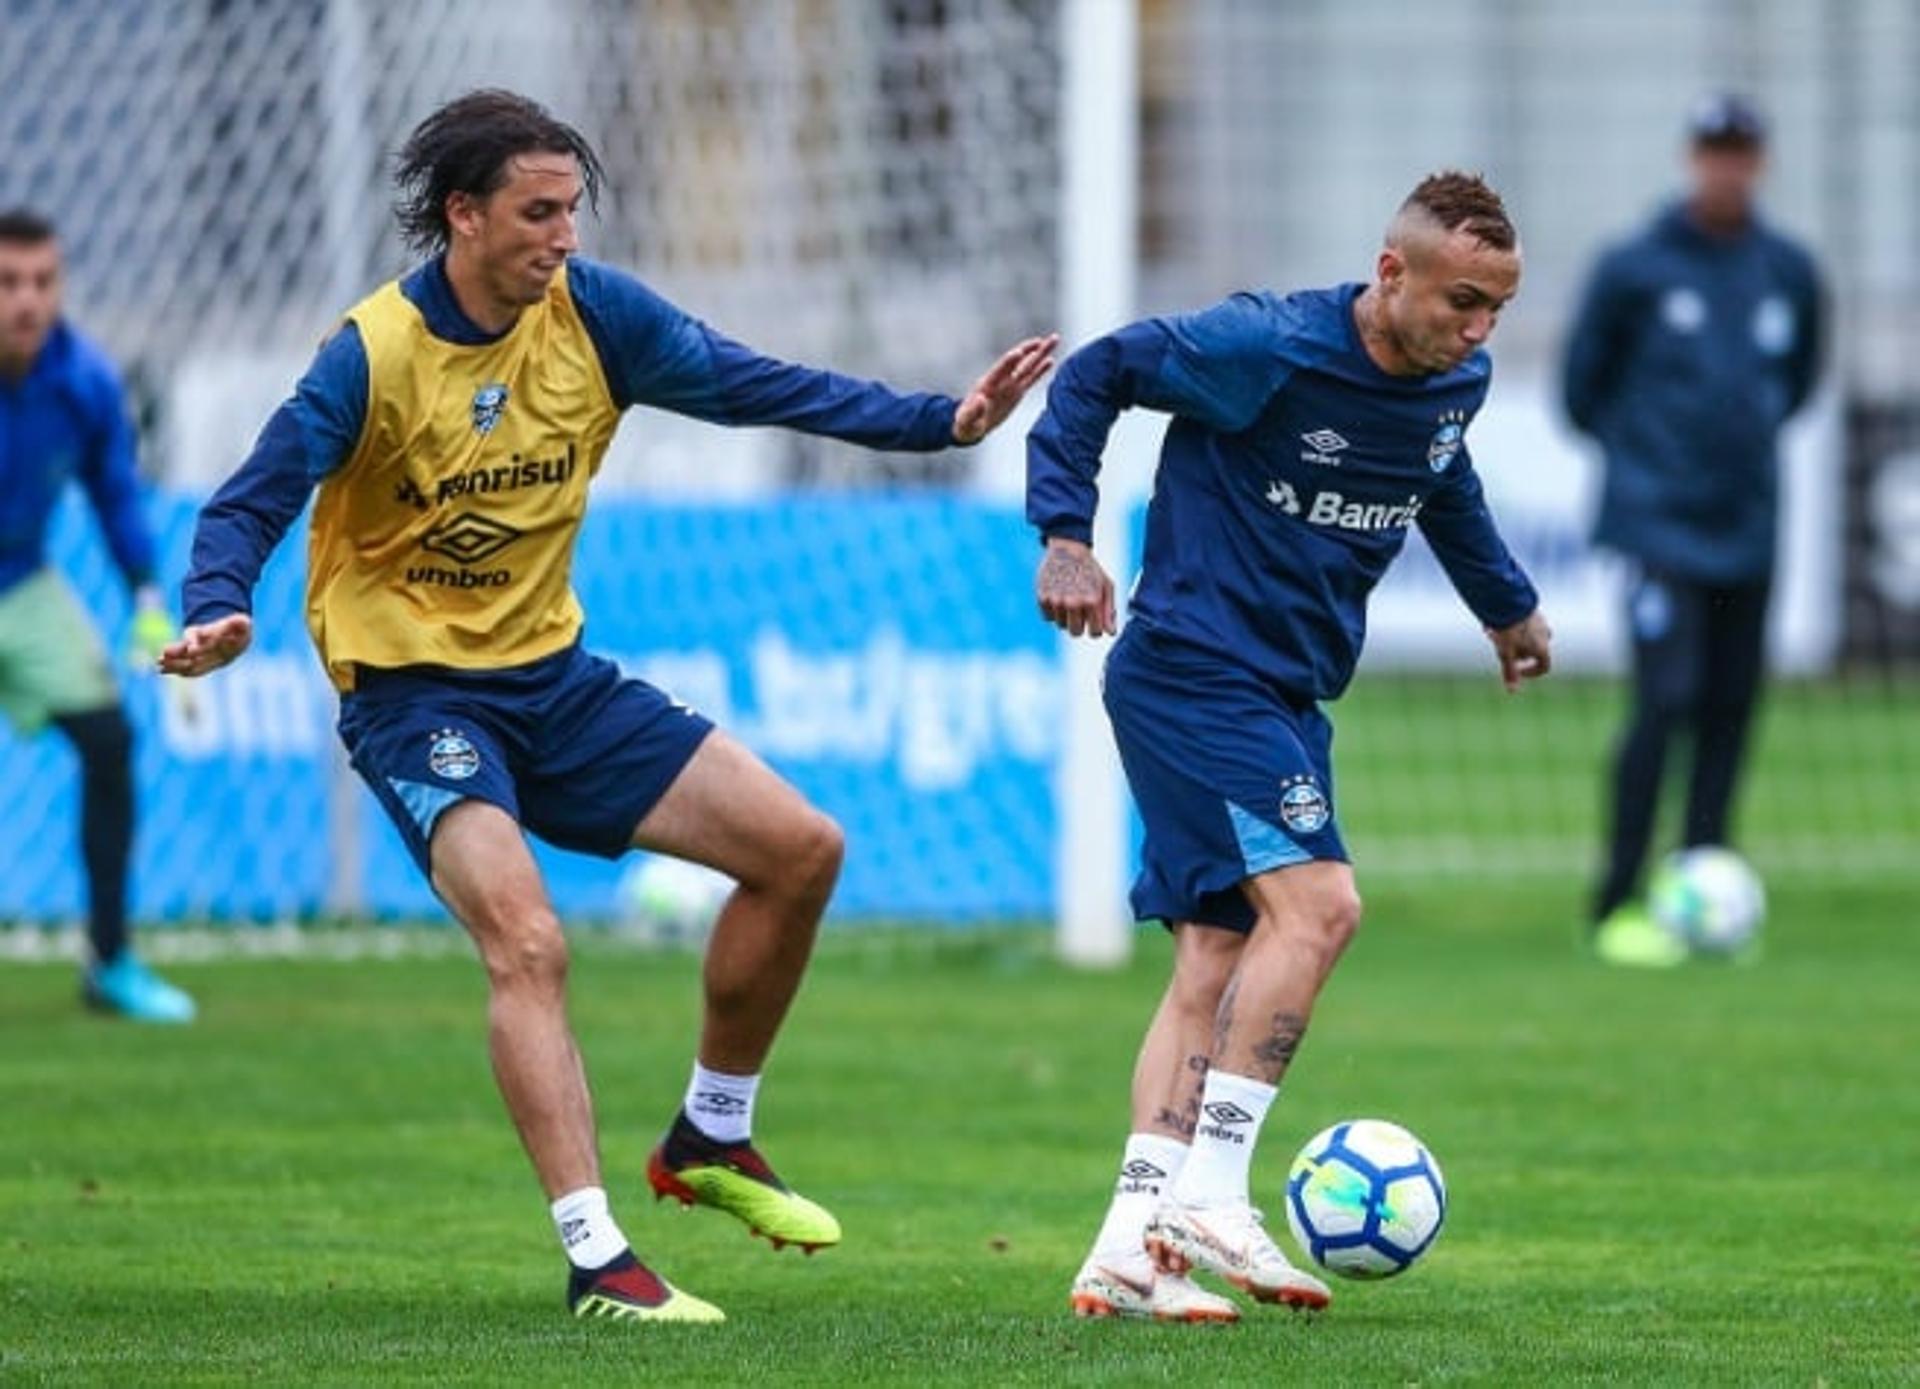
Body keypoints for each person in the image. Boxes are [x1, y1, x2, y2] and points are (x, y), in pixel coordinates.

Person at [159, 90, 1056, 1325]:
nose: (564, 235)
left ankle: (709, 1136)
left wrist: (937, 422)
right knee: (528, 942)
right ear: (463, 217)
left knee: (801, 851)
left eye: (572, 208)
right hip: (415, 696)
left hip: (555, 681)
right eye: (538, 212)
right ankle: (597, 1258)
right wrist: (220, 604)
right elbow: (249, 501)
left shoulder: (597, 315)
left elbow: (754, 385)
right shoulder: (369, 355)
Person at [1026, 172, 1551, 1322]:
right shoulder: (1266, 345)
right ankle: (1213, 1191)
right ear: (1390, 270)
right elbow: (1096, 374)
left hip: (1283, 693)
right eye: (1463, 301)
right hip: (1192, 670)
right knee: (1319, 909)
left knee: (1215, 957)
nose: (1479, 330)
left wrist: (1506, 608)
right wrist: (1067, 535)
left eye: (1498, 309)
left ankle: (1127, 1248)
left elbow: (1442, 479)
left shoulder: (1456, 377)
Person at [1564, 94, 1824, 968]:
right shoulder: (1635, 266)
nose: (1727, 167)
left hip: (1750, 525)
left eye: (1741, 152)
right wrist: (1653, 468)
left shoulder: (1787, 269)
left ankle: (1702, 883)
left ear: (1761, 161)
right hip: (1655, 528)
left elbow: (1797, 381)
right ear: (1691, 158)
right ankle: (1617, 899)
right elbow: (1581, 390)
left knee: (1729, 709)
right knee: (1665, 699)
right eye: (1714, 151)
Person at [0, 209, 196, 1024]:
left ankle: (109, 960)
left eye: (43, 282)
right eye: (9, 283)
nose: (27, 301)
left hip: (23, 584)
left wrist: (148, 599)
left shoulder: (84, 382)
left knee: (111, 742)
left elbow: (115, 494)